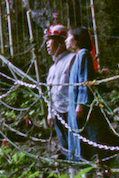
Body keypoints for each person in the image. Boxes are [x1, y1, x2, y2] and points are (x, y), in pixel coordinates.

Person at [65, 27, 105, 174]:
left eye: (68, 37)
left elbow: (85, 80)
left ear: (77, 39)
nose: (66, 40)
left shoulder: (84, 55)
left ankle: (87, 170)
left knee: (85, 139)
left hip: (79, 106)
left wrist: (81, 104)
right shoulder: (77, 57)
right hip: (73, 104)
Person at [44, 23, 75, 160]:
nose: (47, 44)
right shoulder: (52, 68)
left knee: (76, 146)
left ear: (61, 43)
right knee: (64, 146)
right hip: (58, 113)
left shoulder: (72, 60)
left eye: (50, 40)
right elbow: (51, 92)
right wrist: (50, 113)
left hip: (70, 111)